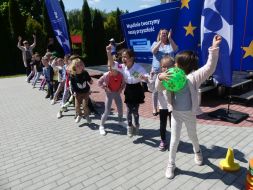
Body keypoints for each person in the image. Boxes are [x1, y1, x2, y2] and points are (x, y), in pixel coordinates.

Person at [156, 35, 222, 179]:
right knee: (174, 139)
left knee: (193, 136)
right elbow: (159, 88)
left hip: (190, 114)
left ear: (183, 66)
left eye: (177, 64)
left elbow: (209, 67)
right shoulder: (170, 75)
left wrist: (214, 48)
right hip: (176, 114)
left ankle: (197, 152)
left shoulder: (194, 77)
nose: (174, 66)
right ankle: (171, 164)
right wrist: (159, 78)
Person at [106, 45, 148, 137]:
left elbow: (146, 78)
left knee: (135, 111)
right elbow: (112, 64)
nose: (123, 59)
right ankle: (129, 127)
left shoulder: (138, 67)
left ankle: (137, 125)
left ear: (131, 58)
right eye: (122, 57)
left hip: (137, 89)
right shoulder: (122, 67)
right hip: (128, 88)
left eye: (125, 57)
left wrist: (144, 77)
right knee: (129, 110)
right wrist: (109, 53)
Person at [150, 29, 178, 116]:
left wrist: (170, 39)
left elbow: (176, 50)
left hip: (169, 71)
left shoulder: (170, 44)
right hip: (157, 71)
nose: (164, 35)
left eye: (166, 33)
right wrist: (160, 42)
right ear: (159, 35)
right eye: (163, 33)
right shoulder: (155, 43)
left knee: (169, 89)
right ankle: (155, 108)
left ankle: (170, 106)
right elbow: (154, 51)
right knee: (155, 90)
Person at [152, 55, 174, 151]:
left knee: (173, 125)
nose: (164, 68)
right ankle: (163, 140)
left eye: (167, 66)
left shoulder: (175, 77)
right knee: (162, 124)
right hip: (162, 106)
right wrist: (161, 78)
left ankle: (174, 140)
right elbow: (157, 87)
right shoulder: (159, 76)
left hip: (173, 106)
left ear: (173, 67)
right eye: (163, 66)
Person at [97, 63, 125, 136]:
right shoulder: (106, 75)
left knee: (120, 108)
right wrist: (105, 88)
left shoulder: (121, 75)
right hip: (109, 94)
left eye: (111, 69)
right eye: (109, 68)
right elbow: (99, 82)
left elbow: (123, 84)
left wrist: (121, 89)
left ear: (116, 69)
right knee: (107, 111)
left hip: (117, 93)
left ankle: (120, 121)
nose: (109, 70)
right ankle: (101, 126)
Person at [69, 58, 93, 124]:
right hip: (77, 93)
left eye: (80, 65)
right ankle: (79, 115)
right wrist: (73, 92)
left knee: (85, 105)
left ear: (82, 65)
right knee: (77, 106)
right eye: (77, 66)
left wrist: (91, 81)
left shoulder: (85, 73)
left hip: (86, 92)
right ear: (74, 67)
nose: (79, 67)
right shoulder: (72, 75)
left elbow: (89, 79)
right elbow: (72, 85)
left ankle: (87, 116)